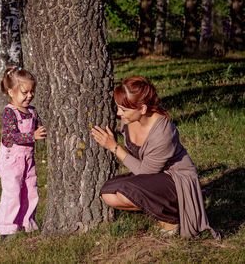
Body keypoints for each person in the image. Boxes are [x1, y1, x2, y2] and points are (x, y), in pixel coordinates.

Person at [91, 76, 220, 239]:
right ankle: (162, 210)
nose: (118, 114)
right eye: (118, 108)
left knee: (125, 193)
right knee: (108, 194)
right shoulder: (131, 118)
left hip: (177, 179)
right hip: (154, 175)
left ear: (143, 109)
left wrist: (114, 147)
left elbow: (145, 172)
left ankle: (172, 217)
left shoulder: (163, 133)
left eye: (123, 110)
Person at [0, 66, 47, 241]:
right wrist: (32, 135)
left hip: (28, 159)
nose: (29, 95)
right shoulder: (10, 112)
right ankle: (7, 229)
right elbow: (11, 135)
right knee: (12, 193)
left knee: (30, 191)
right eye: (24, 92)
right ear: (11, 92)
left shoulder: (32, 111)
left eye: (32, 91)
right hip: (12, 160)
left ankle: (27, 223)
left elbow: (40, 126)